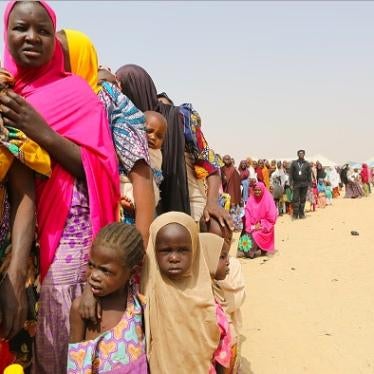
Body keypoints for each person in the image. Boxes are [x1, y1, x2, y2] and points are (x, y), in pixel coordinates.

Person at [1, 2, 120, 372]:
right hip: (19, 241)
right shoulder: (5, 92)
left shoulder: (77, 94)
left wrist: (43, 133)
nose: (32, 38)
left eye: (44, 31)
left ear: (55, 40)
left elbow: (102, 169)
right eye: (21, 28)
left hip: (67, 234)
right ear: (7, 33)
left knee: (60, 338)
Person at [57, 30, 155, 245]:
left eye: (60, 55)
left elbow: (140, 173)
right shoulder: (47, 97)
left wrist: (141, 246)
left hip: (111, 223)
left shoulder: (106, 99)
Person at [116, 64, 233, 229]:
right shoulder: (125, 127)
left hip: (188, 212)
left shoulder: (182, 119)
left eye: (124, 93)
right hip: (142, 217)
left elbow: (211, 165)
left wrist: (212, 202)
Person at [141, 212, 221, 373]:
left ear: (195, 249)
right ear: (153, 251)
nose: (174, 257)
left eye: (183, 250)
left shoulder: (206, 292)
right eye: (165, 250)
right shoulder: (149, 293)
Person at [67, 223, 147, 373]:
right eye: (91, 265)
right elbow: (75, 363)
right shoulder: (81, 309)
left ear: (132, 272)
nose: (94, 276)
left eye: (105, 271)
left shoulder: (140, 305)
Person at [199, 217, 246, 373]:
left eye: (228, 239)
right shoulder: (198, 291)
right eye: (220, 254)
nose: (224, 245)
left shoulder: (233, 266)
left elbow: (238, 298)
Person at [199, 233, 232, 373]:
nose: (228, 262)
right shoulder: (205, 302)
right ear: (207, 257)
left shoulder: (211, 290)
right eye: (222, 257)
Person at [240, 182, 277, 259]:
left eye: (259, 190)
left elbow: (272, 217)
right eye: (255, 190)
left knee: (256, 234)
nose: (257, 192)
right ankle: (248, 251)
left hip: (265, 225)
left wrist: (260, 224)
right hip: (253, 225)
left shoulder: (268, 199)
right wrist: (251, 226)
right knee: (246, 232)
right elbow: (247, 214)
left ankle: (254, 252)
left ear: (263, 190)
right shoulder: (251, 199)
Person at [289, 150, 312, 219]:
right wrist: (290, 183)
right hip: (296, 184)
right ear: (298, 155)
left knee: (303, 199)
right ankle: (295, 215)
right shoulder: (294, 163)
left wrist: (310, 185)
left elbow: (309, 175)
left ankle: (301, 214)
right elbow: (291, 174)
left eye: (302, 154)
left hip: (304, 184)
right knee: (295, 199)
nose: (301, 155)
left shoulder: (307, 164)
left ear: (304, 155)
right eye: (300, 154)